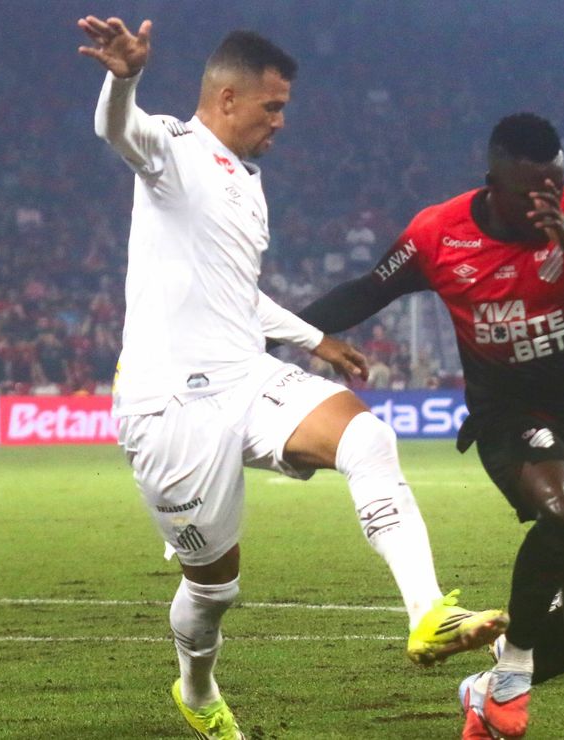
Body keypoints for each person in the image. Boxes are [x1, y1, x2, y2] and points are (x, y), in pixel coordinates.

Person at [77, 17, 505, 739]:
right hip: (169, 401)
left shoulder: (246, 181)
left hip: (247, 375)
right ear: (228, 97)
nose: (279, 122)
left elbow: (240, 289)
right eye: (271, 108)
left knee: (366, 437)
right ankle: (196, 687)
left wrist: (319, 342)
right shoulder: (174, 151)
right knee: (215, 587)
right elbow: (118, 132)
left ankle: (428, 613)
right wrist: (124, 79)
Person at [297, 113, 564, 739]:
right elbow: (366, 290)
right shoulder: (439, 233)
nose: (542, 202)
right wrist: (286, 332)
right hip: (509, 418)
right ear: (493, 180)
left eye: (553, 185)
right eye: (529, 191)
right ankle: (513, 664)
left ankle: (486, 689)